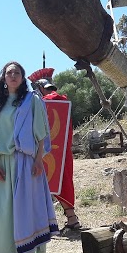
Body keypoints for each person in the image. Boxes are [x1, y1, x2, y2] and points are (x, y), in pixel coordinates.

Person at [0, 61, 58, 253]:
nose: (13, 75)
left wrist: (38, 160)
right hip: (3, 162)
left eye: (17, 72)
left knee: (27, 208)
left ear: (22, 77)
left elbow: (41, 133)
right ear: (4, 78)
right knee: (3, 211)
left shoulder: (31, 101)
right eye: (9, 73)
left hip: (25, 160)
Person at [29, 67, 81, 231]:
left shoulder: (47, 102)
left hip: (50, 151)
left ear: (40, 87)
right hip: (62, 151)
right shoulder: (63, 100)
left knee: (54, 182)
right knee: (62, 182)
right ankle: (69, 219)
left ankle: (70, 220)